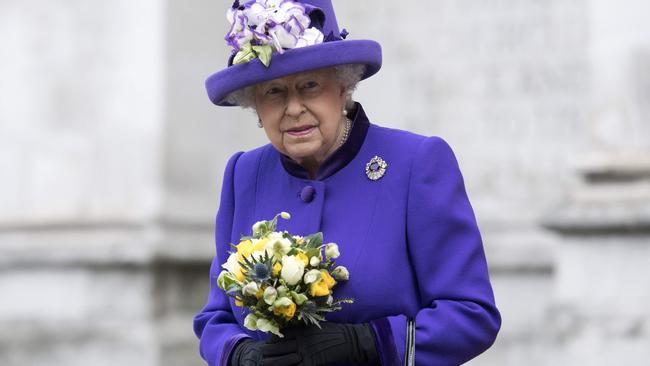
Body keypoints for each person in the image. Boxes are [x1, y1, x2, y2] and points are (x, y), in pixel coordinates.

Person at [193, 1, 501, 365]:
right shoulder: (244, 174)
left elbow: (471, 314)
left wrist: (368, 343)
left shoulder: (416, 163)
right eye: (274, 92)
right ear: (255, 106)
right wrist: (239, 354)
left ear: (342, 86)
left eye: (309, 86)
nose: (293, 108)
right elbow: (215, 318)